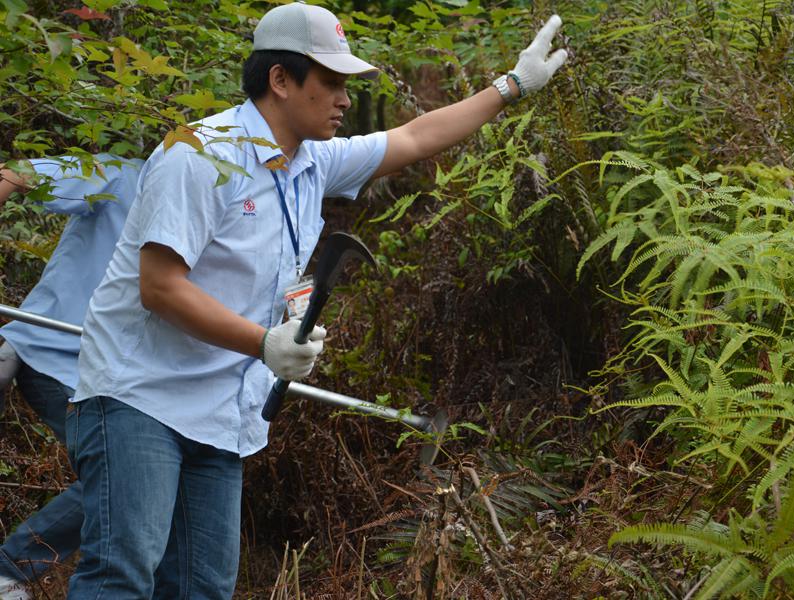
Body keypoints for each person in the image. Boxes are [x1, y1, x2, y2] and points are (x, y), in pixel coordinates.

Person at [66, 2, 567, 598]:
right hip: (138, 396)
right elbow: (160, 287)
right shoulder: (197, 155)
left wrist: (509, 86)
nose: (344, 98)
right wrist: (262, 342)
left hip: (220, 411)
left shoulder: (310, 163)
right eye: (330, 81)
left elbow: (413, 136)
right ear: (280, 79)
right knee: (124, 574)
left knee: (202, 587)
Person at [0, 155, 144, 600]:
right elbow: (13, 174)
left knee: (138, 476)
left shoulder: (222, 202)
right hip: (54, 354)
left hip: (118, 374)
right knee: (126, 470)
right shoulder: (122, 175)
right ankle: (9, 569)